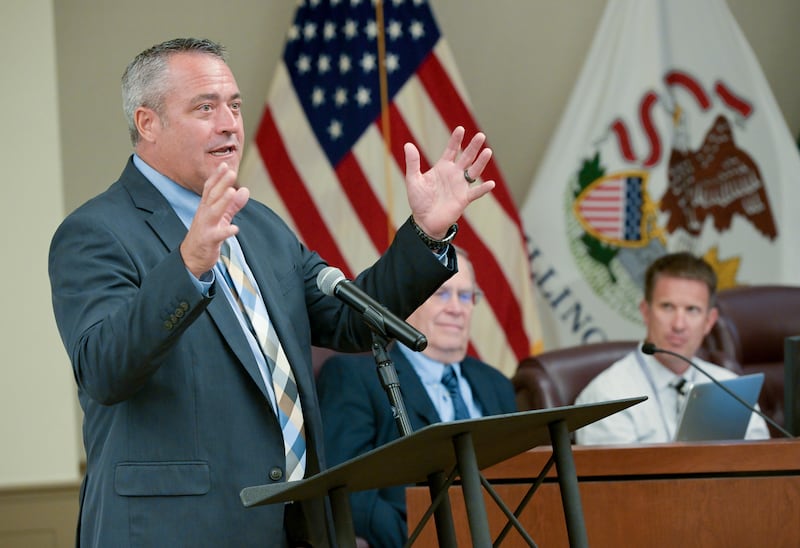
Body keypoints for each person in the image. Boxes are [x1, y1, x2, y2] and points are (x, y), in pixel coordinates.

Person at [47, 38, 496, 547]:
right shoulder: (95, 231)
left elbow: (351, 321)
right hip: (175, 531)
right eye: (205, 107)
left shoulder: (261, 226)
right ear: (148, 123)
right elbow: (104, 369)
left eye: (234, 106)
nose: (229, 123)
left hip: (293, 526)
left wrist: (425, 235)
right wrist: (188, 265)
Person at [316, 248, 517, 548]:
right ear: (409, 301)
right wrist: (426, 536)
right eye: (441, 294)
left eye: (465, 296)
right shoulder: (354, 377)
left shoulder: (497, 384)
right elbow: (345, 491)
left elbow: (518, 478)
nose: (456, 309)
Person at [574, 252, 769, 445]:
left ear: (709, 321)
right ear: (646, 312)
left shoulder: (730, 389)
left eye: (692, 310)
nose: (679, 324)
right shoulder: (606, 397)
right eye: (667, 307)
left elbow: (764, 464)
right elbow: (618, 476)